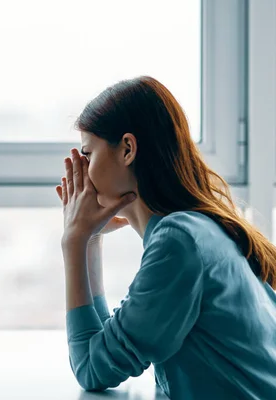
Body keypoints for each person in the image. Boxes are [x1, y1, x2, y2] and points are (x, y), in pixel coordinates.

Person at [57, 76, 276, 399]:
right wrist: (90, 239)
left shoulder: (178, 242)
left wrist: (73, 242)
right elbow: (104, 349)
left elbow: (92, 369)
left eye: (88, 155)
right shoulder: (197, 228)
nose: (82, 171)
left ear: (127, 149)